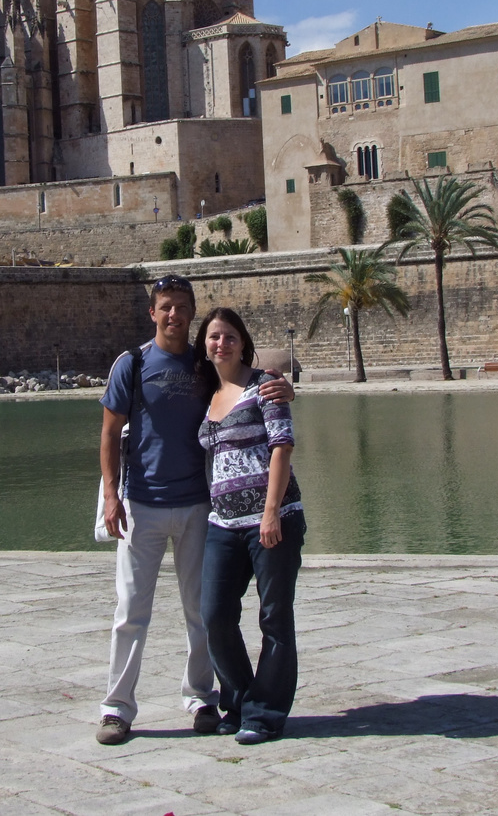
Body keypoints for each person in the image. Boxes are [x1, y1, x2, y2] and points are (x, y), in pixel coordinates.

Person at [96, 276, 293, 746]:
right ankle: (116, 708)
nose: (173, 315)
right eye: (165, 307)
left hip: (200, 507)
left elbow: (246, 386)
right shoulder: (132, 363)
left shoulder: (206, 365)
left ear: (191, 313)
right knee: (130, 611)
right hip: (141, 505)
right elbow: (108, 433)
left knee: (200, 612)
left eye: (182, 307)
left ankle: (201, 698)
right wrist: (110, 495)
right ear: (152, 312)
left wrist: (281, 388)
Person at [195, 306, 304, 745]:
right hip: (221, 523)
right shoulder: (205, 391)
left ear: (243, 342)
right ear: (204, 345)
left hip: (271, 521)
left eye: (229, 336)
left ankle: (265, 713)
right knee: (215, 614)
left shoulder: (265, 386)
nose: (221, 344)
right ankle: (238, 699)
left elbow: (282, 446)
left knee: (274, 616)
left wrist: (271, 511)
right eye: (213, 337)